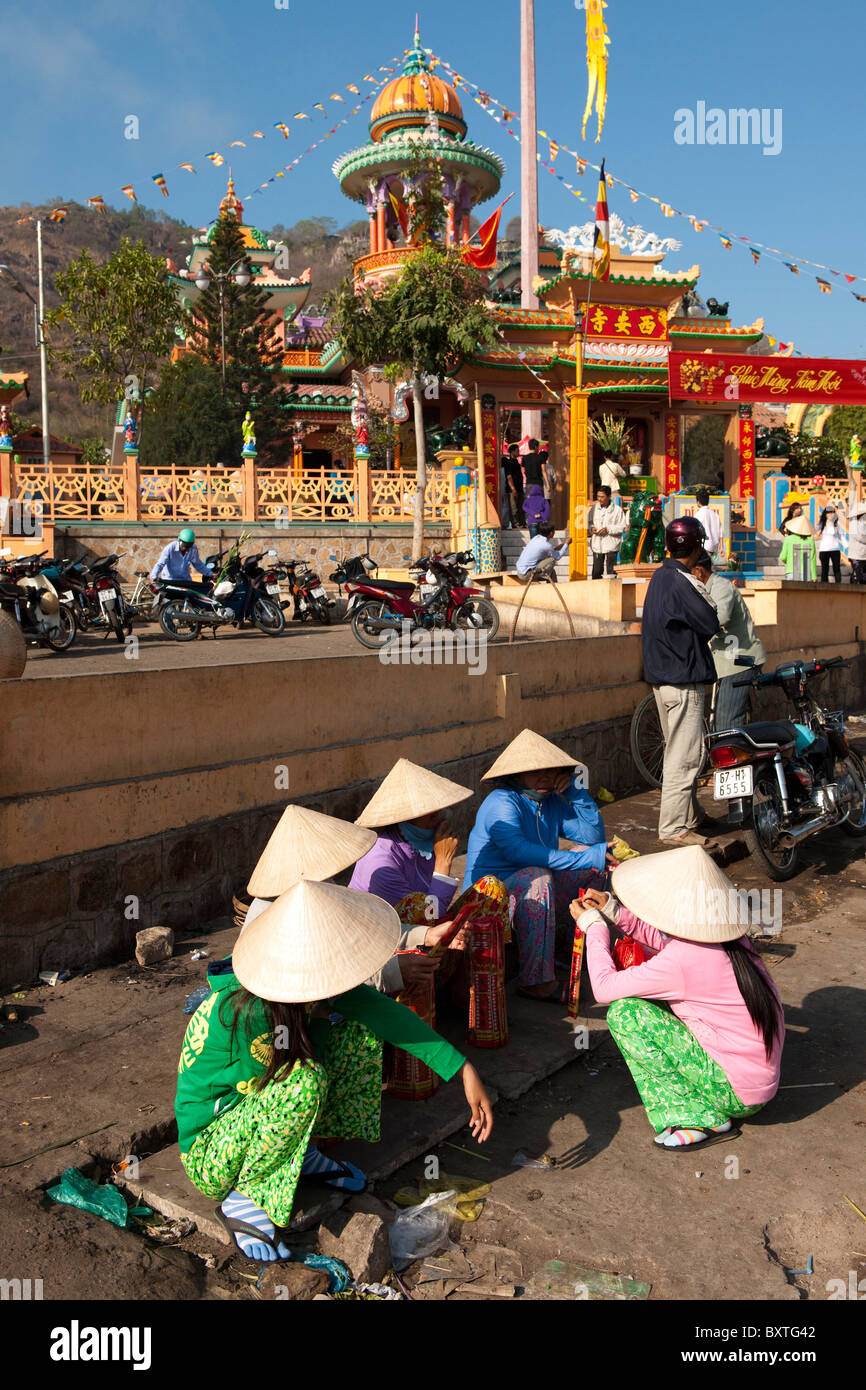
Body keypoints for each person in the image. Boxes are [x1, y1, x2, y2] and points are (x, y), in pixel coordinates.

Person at [176, 879, 493, 1261]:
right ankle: (247, 1196)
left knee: (357, 1031)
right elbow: (282, 1092)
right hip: (213, 1156)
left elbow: (386, 1016)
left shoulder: (300, 987)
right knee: (305, 1082)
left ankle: (299, 1153)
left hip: (256, 1122)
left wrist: (462, 1069)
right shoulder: (246, 1013)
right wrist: (321, 1024)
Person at [570, 846, 783, 1152]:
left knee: (625, 1014)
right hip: (756, 1082)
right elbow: (666, 943)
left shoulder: (685, 959)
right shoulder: (733, 941)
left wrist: (594, 926)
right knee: (644, 1004)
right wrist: (615, 912)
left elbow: (604, 988)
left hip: (736, 1094)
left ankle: (700, 1116)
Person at [463, 729, 615, 1003]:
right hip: (490, 900)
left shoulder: (552, 801)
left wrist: (576, 793)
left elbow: (593, 838)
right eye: (535, 771)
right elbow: (519, 851)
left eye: (549, 770)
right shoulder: (500, 802)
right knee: (539, 876)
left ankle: (565, 953)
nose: (544, 777)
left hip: (531, 890)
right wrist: (588, 855)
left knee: (594, 865)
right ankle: (535, 981)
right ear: (516, 775)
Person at [349, 759, 509, 1007]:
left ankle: (471, 995)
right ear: (405, 818)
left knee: (491, 890)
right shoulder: (380, 861)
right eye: (431, 816)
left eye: (440, 813)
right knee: (415, 905)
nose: (440, 820)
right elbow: (426, 917)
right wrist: (443, 864)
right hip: (396, 957)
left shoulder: (424, 842)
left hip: (433, 938)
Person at [641, 516, 720, 850]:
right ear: (696, 545)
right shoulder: (680, 580)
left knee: (679, 751)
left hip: (663, 679)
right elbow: (709, 621)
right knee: (685, 756)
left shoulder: (660, 577)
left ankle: (691, 814)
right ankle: (674, 827)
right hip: (682, 680)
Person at [691, 551, 766, 729]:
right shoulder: (701, 589)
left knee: (727, 719)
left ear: (699, 571)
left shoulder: (721, 587)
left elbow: (720, 617)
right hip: (723, 658)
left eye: (690, 571)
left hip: (741, 659)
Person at [589, 486, 626, 579]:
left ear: (609, 496)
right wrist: (592, 528)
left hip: (611, 544)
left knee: (611, 572)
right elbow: (589, 522)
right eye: (598, 496)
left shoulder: (618, 510)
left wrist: (608, 529)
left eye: (602, 497)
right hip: (597, 544)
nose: (599, 499)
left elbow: (622, 527)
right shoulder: (594, 508)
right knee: (596, 571)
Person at [779, 513, 817, 580]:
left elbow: (783, 557)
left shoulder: (788, 539)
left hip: (791, 571)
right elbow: (812, 559)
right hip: (806, 572)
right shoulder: (810, 541)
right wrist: (814, 577)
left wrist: (789, 561)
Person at [817, 502, 845, 583]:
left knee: (836, 568)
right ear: (825, 514)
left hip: (835, 549)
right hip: (824, 549)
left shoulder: (837, 524)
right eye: (829, 513)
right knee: (824, 569)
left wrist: (846, 545)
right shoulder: (821, 524)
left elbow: (841, 536)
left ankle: (839, 586)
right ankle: (824, 586)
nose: (831, 514)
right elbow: (815, 533)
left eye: (832, 513)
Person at [693, 488, 723, 557]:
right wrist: (721, 548)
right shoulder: (715, 514)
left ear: (698, 502)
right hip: (714, 547)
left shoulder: (698, 514)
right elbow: (721, 533)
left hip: (704, 547)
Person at [502, 444, 525, 528]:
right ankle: (516, 524)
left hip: (520, 488)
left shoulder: (517, 462)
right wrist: (513, 488)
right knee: (513, 508)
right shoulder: (509, 463)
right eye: (517, 450)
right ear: (512, 452)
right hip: (513, 489)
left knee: (520, 507)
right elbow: (509, 476)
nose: (518, 452)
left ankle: (522, 523)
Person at [847, 500, 866, 584]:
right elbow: (860, 537)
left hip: (864, 555)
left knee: (863, 577)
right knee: (857, 576)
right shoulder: (853, 524)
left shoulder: (863, 524)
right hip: (856, 555)